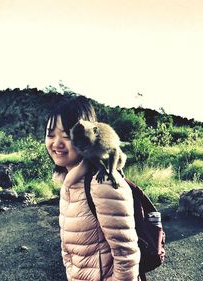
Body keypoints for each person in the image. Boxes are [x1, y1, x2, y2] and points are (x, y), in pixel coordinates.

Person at [45, 96, 140, 281]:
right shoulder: (69, 182)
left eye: (66, 136)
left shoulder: (102, 184)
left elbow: (126, 258)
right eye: (50, 135)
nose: (56, 143)